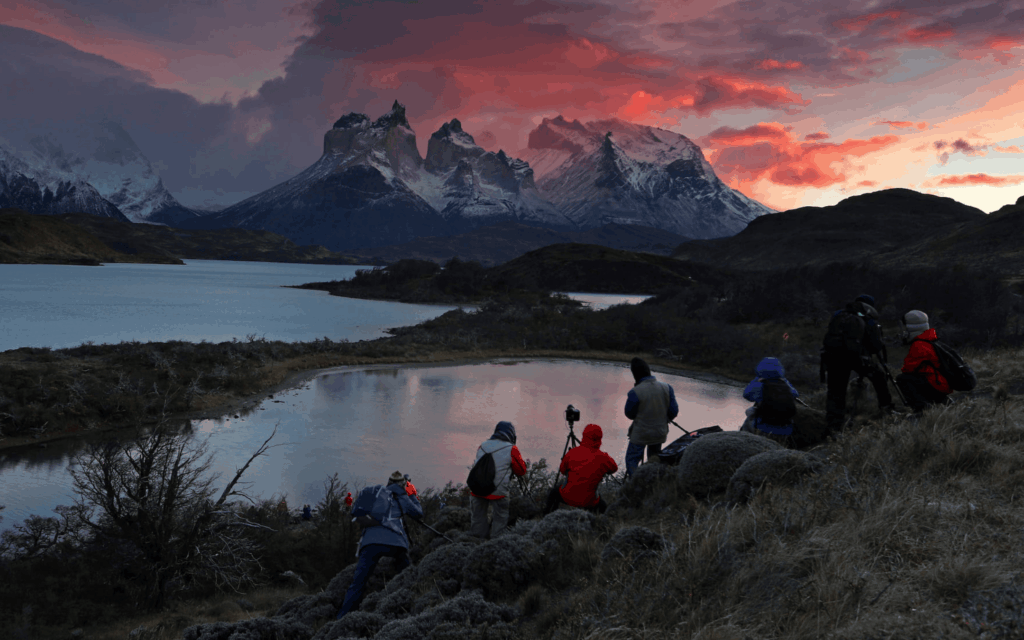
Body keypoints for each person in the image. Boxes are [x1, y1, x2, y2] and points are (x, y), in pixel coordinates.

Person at [336, 471, 423, 620]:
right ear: (403, 485)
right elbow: (419, 513)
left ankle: (343, 618)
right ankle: (411, 613)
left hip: (370, 543)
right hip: (397, 544)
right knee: (407, 577)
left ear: (388, 483)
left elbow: (357, 512)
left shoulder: (376, 494)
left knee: (358, 583)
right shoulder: (404, 499)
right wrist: (412, 493)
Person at [821, 294, 894, 434]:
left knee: (836, 392)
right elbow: (876, 346)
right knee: (878, 376)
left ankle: (833, 426)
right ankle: (886, 408)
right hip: (856, 358)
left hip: (833, 357)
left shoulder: (840, 315)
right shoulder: (868, 318)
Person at [469, 421, 527, 539]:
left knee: (478, 517)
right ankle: (496, 542)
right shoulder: (512, 449)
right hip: (498, 492)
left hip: (477, 488)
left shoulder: (483, 445)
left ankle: (477, 542)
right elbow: (522, 471)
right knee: (500, 517)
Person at [544, 423, 618, 514]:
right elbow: (614, 468)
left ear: (584, 435)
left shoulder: (572, 453)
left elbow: (563, 470)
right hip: (589, 501)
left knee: (554, 492)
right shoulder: (603, 457)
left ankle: (547, 516)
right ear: (600, 438)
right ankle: (597, 523)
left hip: (568, 497)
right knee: (602, 505)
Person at [624, 357, 679, 477]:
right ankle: (652, 482)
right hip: (659, 433)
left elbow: (629, 414)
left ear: (635, 374)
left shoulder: (635, 392)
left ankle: (635, 483)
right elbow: (674, 412)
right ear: (648, 370)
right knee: (654, 459)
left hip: (641, 434)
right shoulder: (667, 387)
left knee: (632, 460)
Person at [896, 310, 952, 412]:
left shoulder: (919, 345)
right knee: (919, 377)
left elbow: (908, 369)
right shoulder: (930, 339)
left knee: (902, 379)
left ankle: (922, 409)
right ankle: (942, 399)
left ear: (911, 327)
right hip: (942, 382)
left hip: (938, 384)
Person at [739, 357, 799, 445]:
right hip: (786, 431)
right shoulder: (785, 385)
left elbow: (746, 395)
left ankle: (742, 438)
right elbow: (795, 394)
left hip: (763, 430)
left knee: (750, 412)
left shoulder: (760, 386)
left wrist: (757, 379)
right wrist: (784, 380)